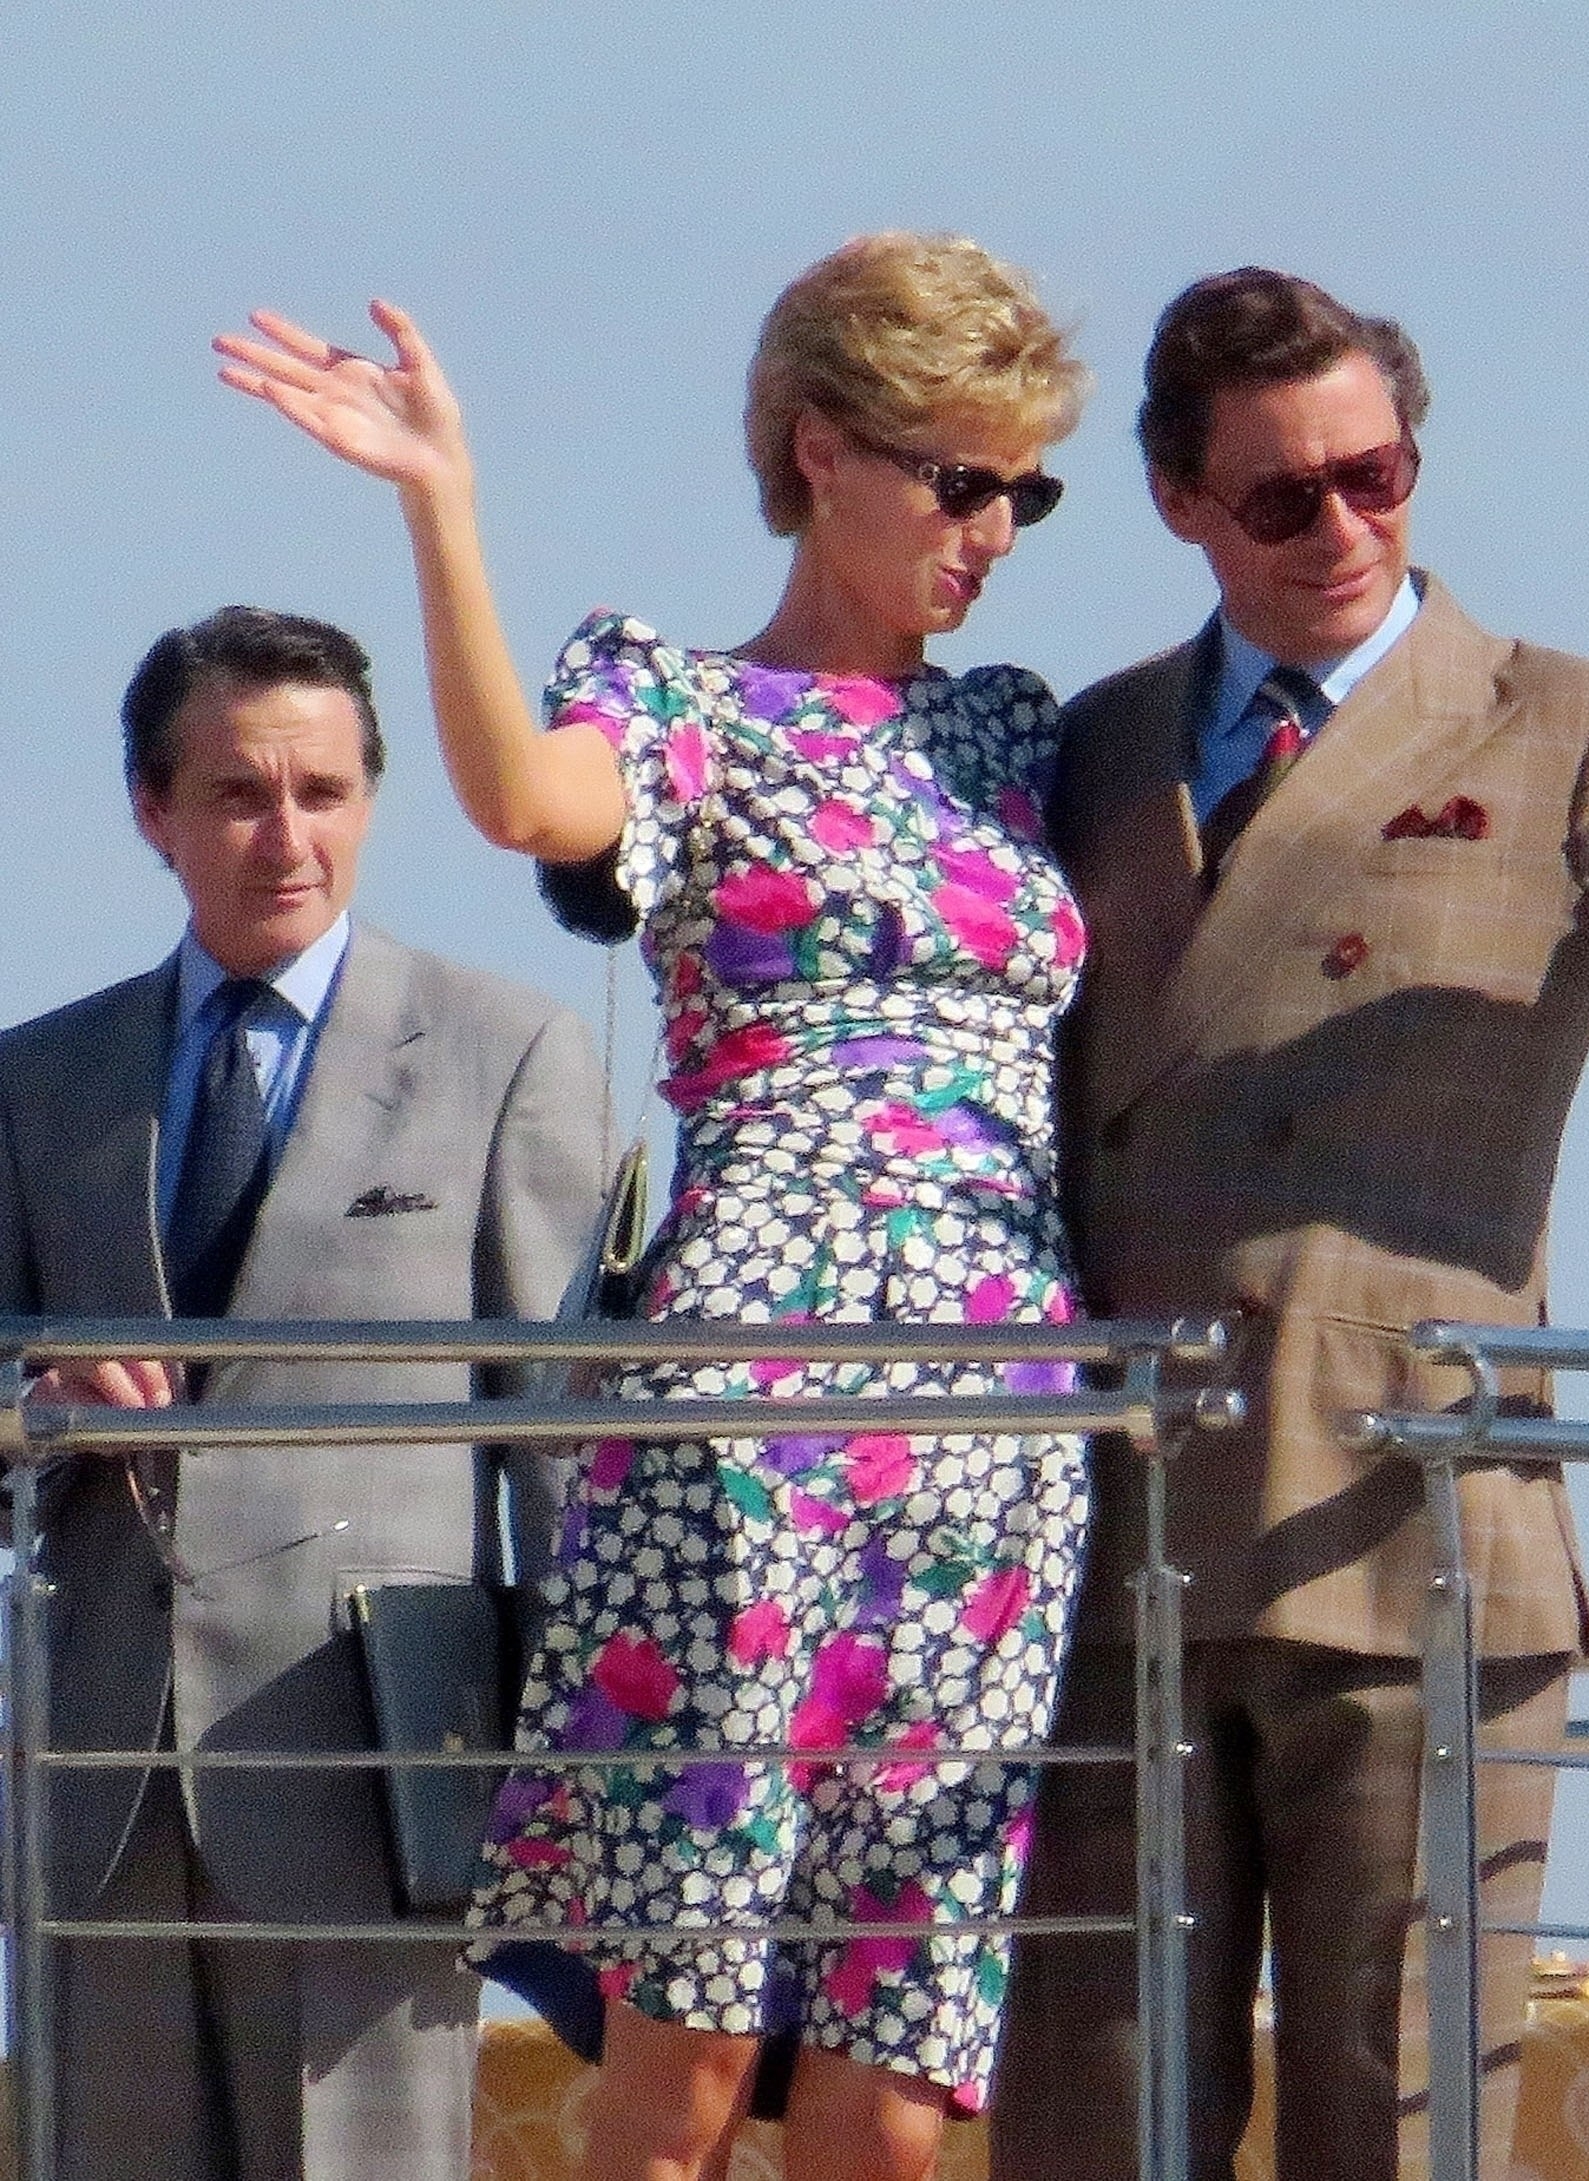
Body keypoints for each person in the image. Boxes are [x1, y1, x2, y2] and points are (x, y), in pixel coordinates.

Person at [991, 270, 1589, 2181]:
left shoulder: (1567, 726)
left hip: (1413, 1530)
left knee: (1392, 2126)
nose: (1340, 527)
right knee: (1087, 2124)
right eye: (1280, 498)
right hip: (1110, 1542)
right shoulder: (1088, 748)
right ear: (1178, 502)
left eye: (1376, 475)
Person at [215, 231, 1093, 2181]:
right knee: (682, 2069)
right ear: (818, 449)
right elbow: (533, 801)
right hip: (752, 1426)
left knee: (896, 2097)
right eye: (956, 475)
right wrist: (444, 506)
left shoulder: (1022, 732)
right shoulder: (681, 698)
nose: (993, 527)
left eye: (1021, 485)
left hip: (997, 1451)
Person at [0, 604, 606, 2181]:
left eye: (324, 793)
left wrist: (584, 1786)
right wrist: (35, 1394)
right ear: (152, 807)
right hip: (98, 1792)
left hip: (379, 1787)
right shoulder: (35, 1079)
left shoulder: (508, 1052)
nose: (287, 836)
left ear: (372, 799)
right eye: (239, 794)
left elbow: (563, 1456)